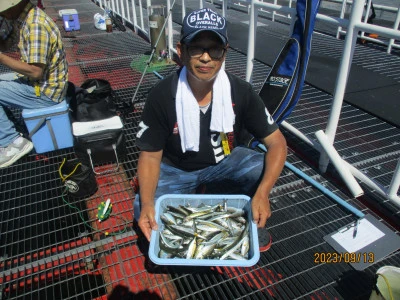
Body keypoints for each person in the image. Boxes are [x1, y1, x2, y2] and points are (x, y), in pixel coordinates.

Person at [134, 8, 287, 249]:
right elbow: (150, 155)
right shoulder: (162, 96)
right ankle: (202, 195)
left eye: (214, 49)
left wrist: (264, 192)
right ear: (181, 51)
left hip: (222, 162)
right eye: (196, 47)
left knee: (260, 167)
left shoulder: (241, 91)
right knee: (141, 207)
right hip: (176, 170)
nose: (206, 57)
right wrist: (147, 204)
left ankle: (231, 200)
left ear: (224, 54)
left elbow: (277, 143)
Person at [0, 0, 68, 168]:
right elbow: (6, 42)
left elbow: (35, 71)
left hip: (46, 92)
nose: (3, 13)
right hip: (38, 84)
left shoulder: (35, 25)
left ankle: (12, 142)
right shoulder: (21, 18)